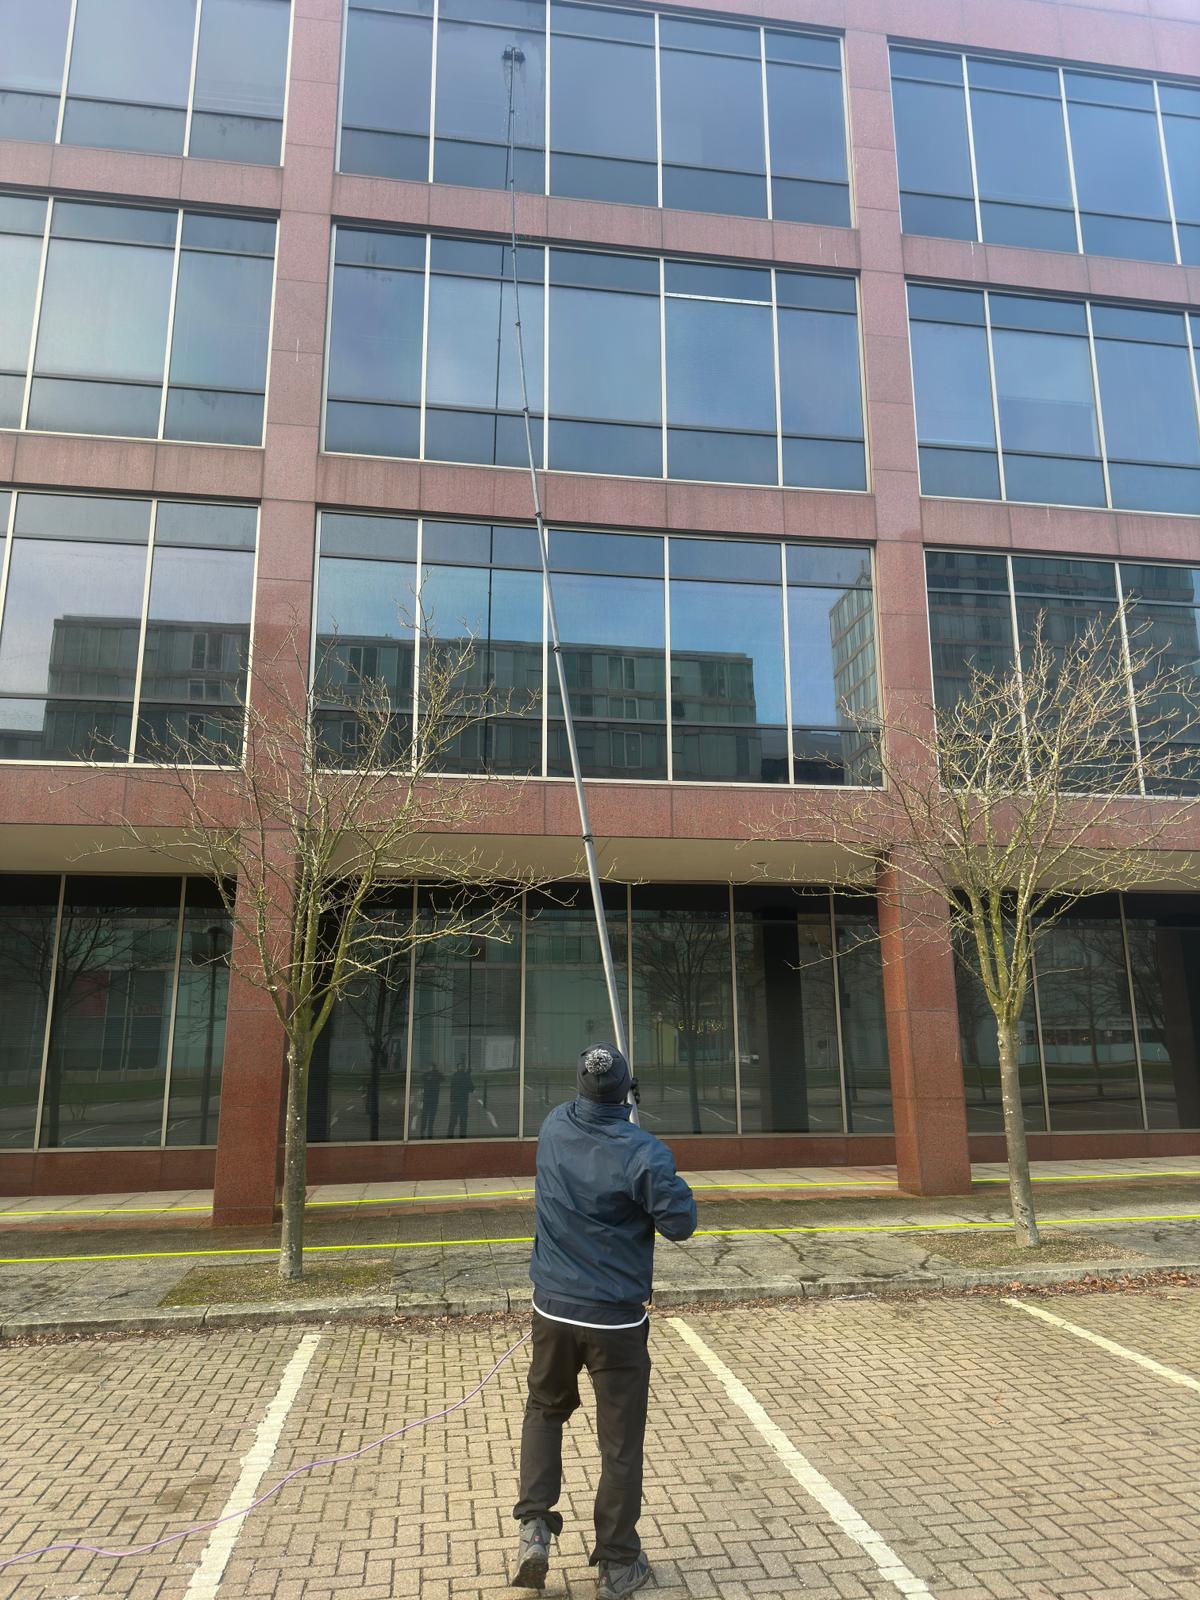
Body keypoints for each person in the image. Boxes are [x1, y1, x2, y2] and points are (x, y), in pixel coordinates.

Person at [512, 1043, 696, 1599]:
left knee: (545, 1410)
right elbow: (681, 1223)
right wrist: (651, 1163)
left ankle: (535, 1526)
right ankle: (617, 1562)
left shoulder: (554, 1125)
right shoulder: (644, 1152)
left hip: (553, 1308)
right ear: (627, 1092)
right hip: (615, 1321)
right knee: (619, 1443)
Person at [446, 1063, 474, 1138]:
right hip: (463, 1101)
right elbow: (471, 1088)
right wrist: (468, 1075)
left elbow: (452, 1086)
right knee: (463, 1121)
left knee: (452, 1121)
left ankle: (449, 1136)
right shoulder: (466, 1076)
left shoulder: (454, 1076)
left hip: (454, 1101)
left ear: (457, 1068)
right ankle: (462, 1137)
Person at [418, 1064, 443, 1139]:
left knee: (429, 1116)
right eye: (430, 1067)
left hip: (431, 1099)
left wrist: (435, 1072)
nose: (431, 1068)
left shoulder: (435, 1075)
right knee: (426, 1116)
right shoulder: (428, 1075)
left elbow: (443, 1078)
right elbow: (422, 1078)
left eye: (432, 1067)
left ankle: (427, 1131)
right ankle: (424, 1130)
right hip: (429, 1099)